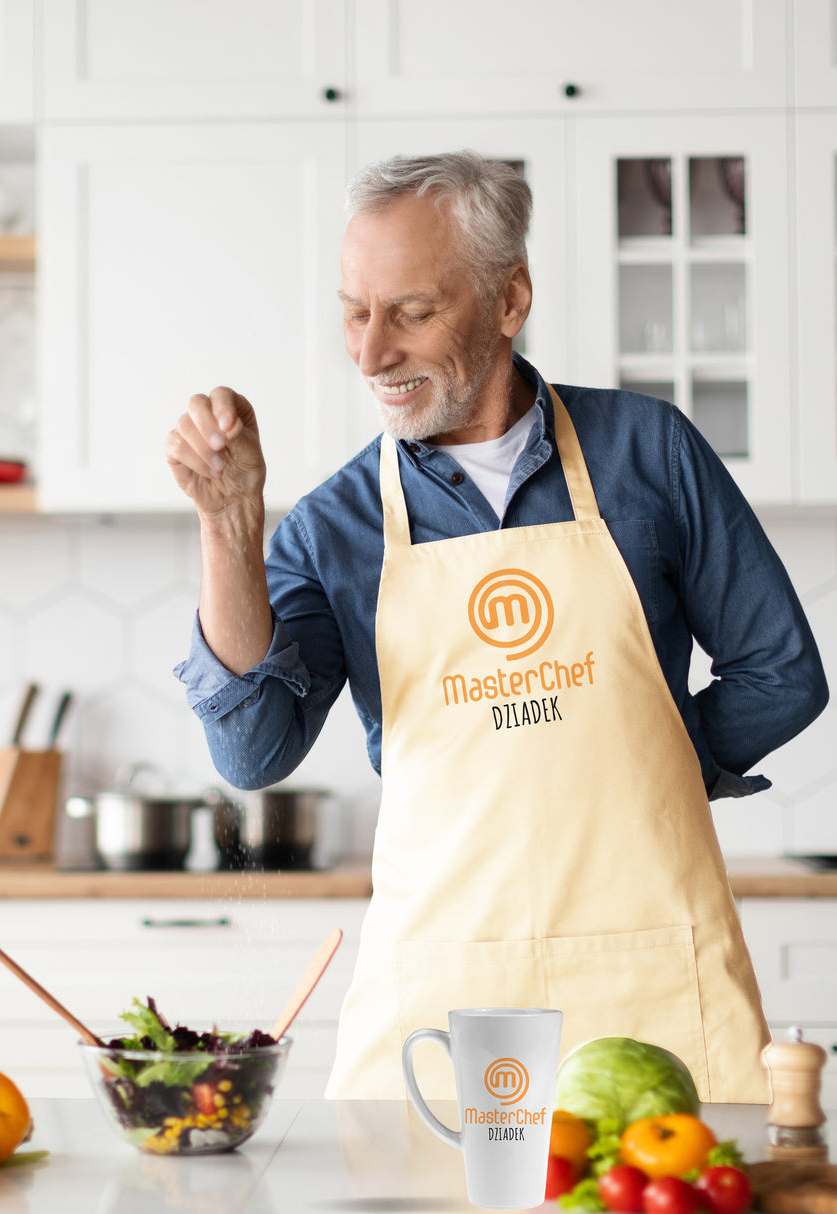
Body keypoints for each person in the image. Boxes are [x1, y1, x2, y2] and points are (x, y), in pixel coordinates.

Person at [164, 152, 829, 1101]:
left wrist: (645, 773)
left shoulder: (649, 450)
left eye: (412, 312)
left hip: (650, 972)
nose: (369, 352)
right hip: (443, 992)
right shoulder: (335, 523)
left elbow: (781, 673)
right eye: (354, 310)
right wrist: (229, 527)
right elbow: (252, 752)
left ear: (509, 298)